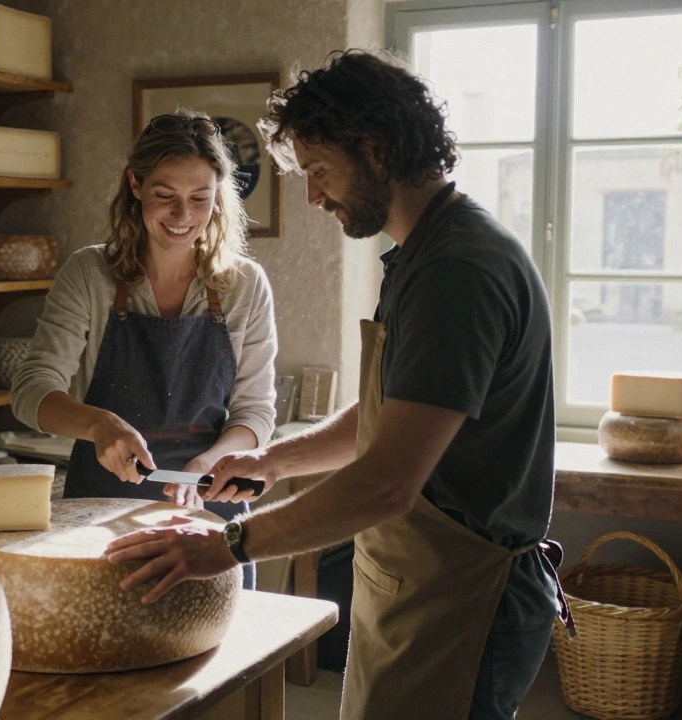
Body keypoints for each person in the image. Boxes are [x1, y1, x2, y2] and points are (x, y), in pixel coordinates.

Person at [105, 50, 573, 720]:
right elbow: (392, 412)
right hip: (424, 585)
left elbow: (387, 480)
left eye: (319, 170)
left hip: (465, 598)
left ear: (375, 149)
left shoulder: (458, 270)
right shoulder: (422, 253)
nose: (314, 196)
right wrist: (274, 461)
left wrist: (229, 545)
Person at [10, 108, 279, 589]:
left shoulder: (244, 284)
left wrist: (209, 463)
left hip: (207, 515)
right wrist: (98, 425)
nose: (183, 216)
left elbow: (255, 414)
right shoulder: (89, 275)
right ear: (135, 185)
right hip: (100, 517)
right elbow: (31, 392)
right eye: (165, 196)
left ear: (219, 194)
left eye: (200, 198)